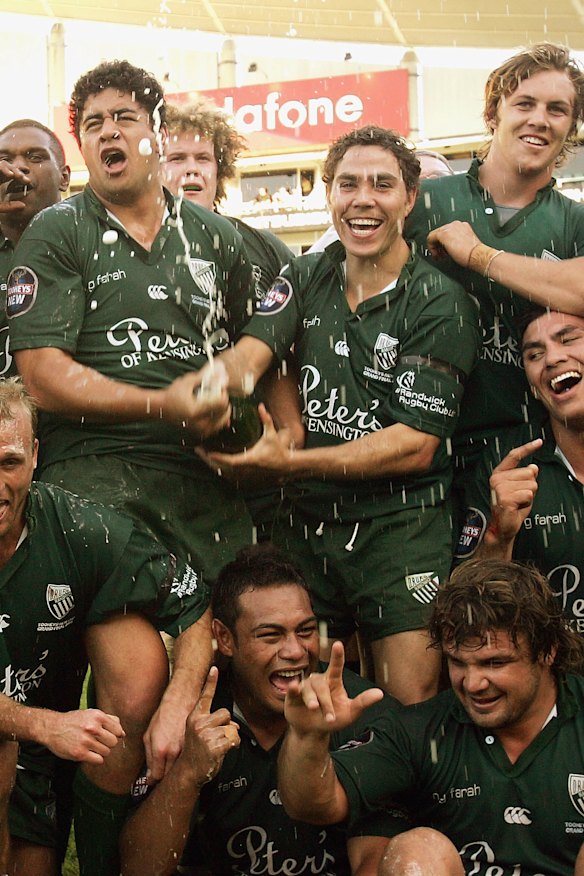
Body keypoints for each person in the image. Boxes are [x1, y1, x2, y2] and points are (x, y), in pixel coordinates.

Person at [201, 126, 480, 703]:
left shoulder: (439, 300)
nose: (363, 199)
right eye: (348, 184)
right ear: (329, 193)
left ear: (410, 198)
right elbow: (263, 351)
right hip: (309, 525)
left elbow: (416, 444)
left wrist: (292, 461)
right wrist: (221, 394)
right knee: (300, 698)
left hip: (400, 525)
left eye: (382, 185)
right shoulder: (307, 273)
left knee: (407, 701)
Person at [7, 60, 255, 581]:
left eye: (124, 117)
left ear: (158, 134)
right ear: (83, 146)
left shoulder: (217, 237)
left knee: (241, 615)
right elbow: (43, 375)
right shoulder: (58, 230)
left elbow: (256, 348)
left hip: (202, 474)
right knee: (132, 620)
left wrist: (281, 436)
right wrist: (162, 404)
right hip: (92, 471)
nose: (108, 131)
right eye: (93, 124)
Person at [0, 378, 211, 876]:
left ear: (35, 456)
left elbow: (194, 604)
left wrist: (176, 705)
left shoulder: (77, 527)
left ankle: (104, 859)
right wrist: (45, 725)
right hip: (36, 735)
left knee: (135, 652)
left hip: (38, 760)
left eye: (8, 462)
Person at [278, 558, 584, 876]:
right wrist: (306, 736)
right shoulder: (420, 731)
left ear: (547, 651)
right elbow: (311, 804)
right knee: (416, 851)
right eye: (458, 662)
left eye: (494, 663)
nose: (473, 684)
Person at [120, 544, 399, 876]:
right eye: (270, 635)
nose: (295, 651)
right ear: (225, 638)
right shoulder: (188, 720)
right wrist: (187, 774)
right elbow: (139, 869)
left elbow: (378, 858)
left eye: (306, 631)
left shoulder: (360, 710)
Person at [406, 43, 584, 490]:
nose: (540, 119)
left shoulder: (574, 221)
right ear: (493, 113)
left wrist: (479, 257)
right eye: (524, 104)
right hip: (418, 442)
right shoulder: (422, 201)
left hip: (530, 456)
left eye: (557, 109)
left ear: (572, 127)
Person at [163, 102, 300, 538]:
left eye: (203, 159)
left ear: (219, 171)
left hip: (254, 456)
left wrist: (288, 434)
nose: (191, 169)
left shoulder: (264, 248)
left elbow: (287, 351)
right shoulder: (129, 247)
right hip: (166, 461)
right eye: (176, 158)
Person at [456, 306, 584, 636]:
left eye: (569, 339)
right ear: (532, 386)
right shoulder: (506, 463)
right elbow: (467, 613)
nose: (552, 358)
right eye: (534, 355)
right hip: (549, 664)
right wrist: (498, 536)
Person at [0, 119, 70, 378]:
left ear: (64, 177)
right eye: (4, 159)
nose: (17, 167)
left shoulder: (94, 241)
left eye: (35, 157)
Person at [308, 148, 454, 254]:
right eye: (348, 185)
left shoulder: (464, 238)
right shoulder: (338, 239)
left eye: (438, 178)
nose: (427, 189)